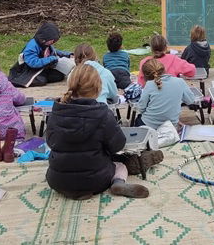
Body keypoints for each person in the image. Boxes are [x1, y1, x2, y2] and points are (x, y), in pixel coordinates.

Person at [46, 64, 152, 199]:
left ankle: (72, 189)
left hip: (58, 181)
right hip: (95, 181)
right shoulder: (103, 114)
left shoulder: (56, 112)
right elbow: (118, 145)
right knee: (120, 166)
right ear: (97, 88)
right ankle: (118, 182)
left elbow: (50, 143)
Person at [135, 59, 195, 147]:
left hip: (149, 124)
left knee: (138, 119)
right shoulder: (180, 82)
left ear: (146, 76)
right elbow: (191, 100)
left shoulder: (149, 85)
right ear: (164, 69)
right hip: (171, 124)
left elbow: (141, 108)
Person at [9, 21, 73, 87]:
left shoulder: (45, 44)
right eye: (52, 40)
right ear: (45, 37)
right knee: (42, 80)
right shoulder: (32, 46)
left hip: (42, 68)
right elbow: (33, 62)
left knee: (59, 76)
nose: (52, 42)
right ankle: (39, 77)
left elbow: (54, 52)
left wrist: (68, 55)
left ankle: (43, 75)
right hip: (28, 70)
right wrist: (50, 59)